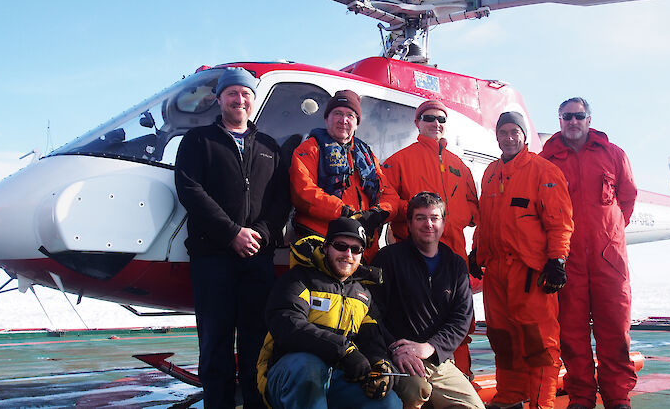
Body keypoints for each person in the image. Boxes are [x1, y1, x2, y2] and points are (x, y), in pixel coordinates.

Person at [174, 67, 290, 408]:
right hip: (213, 258)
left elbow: (281, 199)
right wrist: (231, 234)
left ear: (253, 101)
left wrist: (263, 235)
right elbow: (190, 189)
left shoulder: (270, 146)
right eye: (232, 94)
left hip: (258, 259)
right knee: (214, 342)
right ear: (220, 98)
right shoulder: (198, 141)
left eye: (245, 95)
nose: (239, 100)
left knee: (256, 342)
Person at [540, 97, 638, 409]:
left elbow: (627, 197)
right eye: (566, 116)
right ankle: (581, 396)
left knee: (615, 328)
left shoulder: (613, 154)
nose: (573, 122)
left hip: (609, 258)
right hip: (567, 259)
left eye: (578, 116)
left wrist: (610, 234)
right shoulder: (547, 159)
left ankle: (617, 396)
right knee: (572, 331)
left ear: (588, 119)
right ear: (559, 120)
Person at [473, 112, 573, 409]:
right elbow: (484, 219)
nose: (508, 137)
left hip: (529, 271)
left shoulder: (544, 171)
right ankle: (510, 395)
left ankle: (541, 402)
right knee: (502, 338)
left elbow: (560, 222)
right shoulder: (490, 172)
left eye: (514, 132)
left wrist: (557, 260)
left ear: (524, 136)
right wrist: (476, 252)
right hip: (496, 271)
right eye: (503, 132)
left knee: (539, 342)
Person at [257, 217, 403, 409]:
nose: (348, 254)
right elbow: (288, 325)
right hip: (288, 374)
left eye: (356, 249)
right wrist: (344, 351)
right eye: (341, 246)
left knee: (389, 403)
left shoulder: (364, 295)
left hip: (337, 377)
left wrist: (380, 364)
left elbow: (371, 340)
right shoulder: (298, 279)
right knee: (308, 366)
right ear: (326, 247)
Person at [381, 99, 480, 376]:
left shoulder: (460, 165)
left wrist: (461, 223)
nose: (435, 123)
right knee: (412, 320)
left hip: (454, 255)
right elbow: (384, 201)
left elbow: (476, 210)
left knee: (461, 323)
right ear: (417, 123)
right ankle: (414, 380)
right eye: (428, 118)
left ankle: (460, 380)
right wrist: (414, 210)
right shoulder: (399, 160)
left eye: (441, 119)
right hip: (413, 255)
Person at [371, 192, 484, 409]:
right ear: (410, 224)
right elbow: (372, 312)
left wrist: (430, 347)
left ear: (443, 224)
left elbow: (461, 319)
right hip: (398, 356)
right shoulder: (389, 259)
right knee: (416, 393)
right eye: (420, 218)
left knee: (474, 407)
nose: (428, 224)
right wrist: (394, 348)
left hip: (437, 360)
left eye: (434, 218)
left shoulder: (456, 265)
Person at [290, 89, 398, 259]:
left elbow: (389, 194)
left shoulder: (368, 155)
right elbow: (303, 192)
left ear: (357, 123)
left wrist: (378, 214)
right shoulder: (309, 149)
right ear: (327, 118)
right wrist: (345, 213)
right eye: (337, 113)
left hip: (364, 250)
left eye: (350, 115)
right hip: (324, 247)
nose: (343, 120)